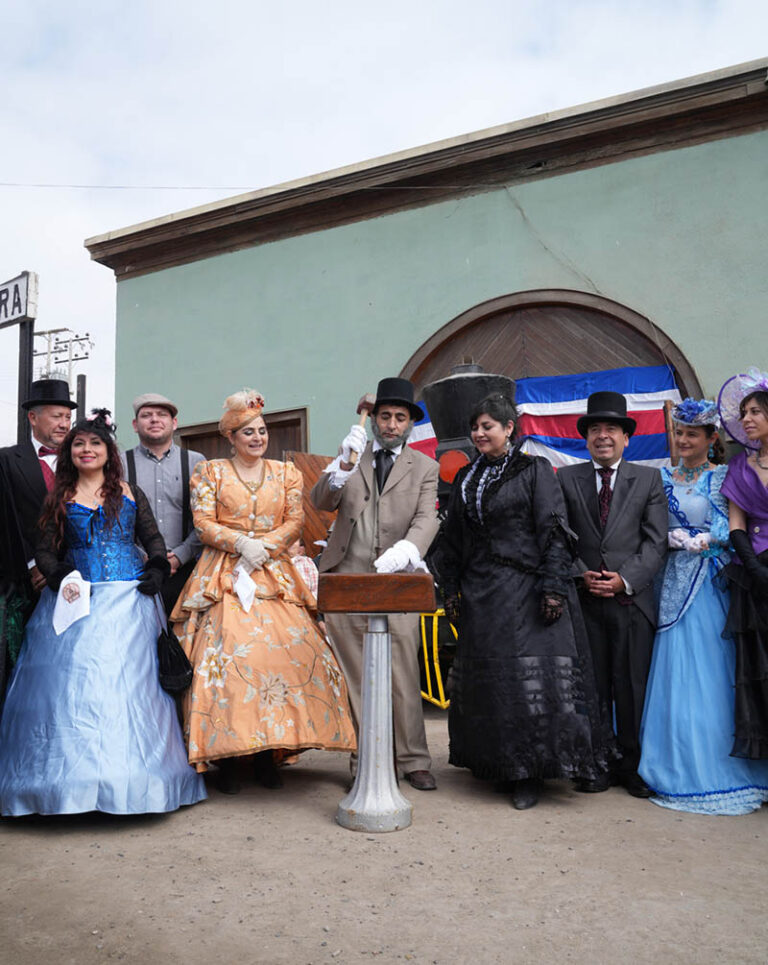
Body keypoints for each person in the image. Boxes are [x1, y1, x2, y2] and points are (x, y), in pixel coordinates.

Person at [0, 409, 206, 815]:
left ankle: (133, 782)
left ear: (109, 451)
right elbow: (44, 547)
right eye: (79, 444)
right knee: (73, 689)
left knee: (128, 690)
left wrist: (157, 569)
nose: (87, 449)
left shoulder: (128, 492)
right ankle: (63, 786)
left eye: (95, 443)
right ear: (69, 453)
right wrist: (58, 575)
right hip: (77, 603)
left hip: (129, 603)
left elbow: (152, 536)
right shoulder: (59, 496)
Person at [428, 393, 611, 809]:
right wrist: (452, 588)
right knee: (493, 684)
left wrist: (551, 586)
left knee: (531, 683)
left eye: (488, 426)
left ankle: (530, 774)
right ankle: (497, 764)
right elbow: (453, 539)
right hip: (482, 594)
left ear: (509, 428)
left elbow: (553, 530)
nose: (479, 434)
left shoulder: (535, 470)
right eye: (475, 427)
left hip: (527, 590)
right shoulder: (467, 476)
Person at [171, 390, 355, 794]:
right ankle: (231, 756)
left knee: (285, 660)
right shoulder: (210, 472)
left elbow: (294, 520)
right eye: (248, 432)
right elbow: (202, 523)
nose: (257, 438)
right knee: (228, 664)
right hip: (224, 573)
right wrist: (240, 545)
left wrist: (265, 548)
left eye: (262, 431)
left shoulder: (286, 473)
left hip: (274, 573)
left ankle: (270, 755)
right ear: (231, 437)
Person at [639, 398, 768, 814]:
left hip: (709, 583)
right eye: (678, 433)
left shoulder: (721, 477)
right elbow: (647, 523)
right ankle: (672, 762)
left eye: (692, 434)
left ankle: (714, 765)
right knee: (671, 669)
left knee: (710, 672)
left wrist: (709, 539)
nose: (683, 440)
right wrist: (669, 538)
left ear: (711, 438)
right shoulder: (659, 476)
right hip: (668, 580)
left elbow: (733, 523)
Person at [311, 377, 440, 791]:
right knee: (356, 675)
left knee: (403, 668)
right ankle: (364, 758)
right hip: (347, 574)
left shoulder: (425, 467)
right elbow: (321, 501)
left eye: (399, 418)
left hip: (399, 580)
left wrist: (408, 548)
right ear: (375, 419)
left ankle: (413, 758)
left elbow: (426, 518)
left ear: (408, 424)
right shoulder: (353, 453)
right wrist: (342, 467)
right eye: (384, 416)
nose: (390, 424)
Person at [558, 391, 667, 797]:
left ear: (626, 438)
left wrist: (624, 579)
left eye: (611, 429)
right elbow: (558, 537)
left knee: (631, 685)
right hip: (584, 601)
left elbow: (656, 543)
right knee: (592, 686)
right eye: (595, 430)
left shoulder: (649, 479)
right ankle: (596, 762)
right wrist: (577, 573)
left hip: (631, 601)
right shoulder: (567, 479)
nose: (603, 436)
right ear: (586, 439)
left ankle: (632, 766)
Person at [0, 379, 77, 696]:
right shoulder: (6, 460)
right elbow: (7, 520)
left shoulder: (84, 459)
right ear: (33, 417)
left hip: (79, 578)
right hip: (28, 582)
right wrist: (35, 564)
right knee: (28, 671)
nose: (64, 424)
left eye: (67, 417)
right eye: (56, 416)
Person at [717, 368, 768, 760]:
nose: (746, 419)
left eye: (755, 412)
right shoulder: (739, 467)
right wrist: (756, 571)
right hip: (753, 575)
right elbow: (737, 525)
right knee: (757, 668)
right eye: (744, 412)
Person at [121, 393, 205, 614]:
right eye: (146, 415)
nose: (154, 420)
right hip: (135, 570)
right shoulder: (119, 464)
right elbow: (113, 520)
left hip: (187, 570)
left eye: (162, 415)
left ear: (174, 423)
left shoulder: (197, 462)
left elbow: (206, 519)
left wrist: (179, 556)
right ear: (135, 425)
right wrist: (142, 555)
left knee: (182, 643)